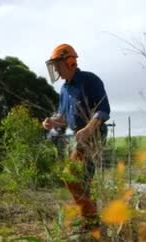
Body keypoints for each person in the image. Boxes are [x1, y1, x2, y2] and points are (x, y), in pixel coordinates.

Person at [43, 43, 110, 228]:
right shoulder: (64, 90)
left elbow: (104, 110)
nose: (56, 69)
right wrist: (51, 122)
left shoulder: (90, 80)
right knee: (78, 179)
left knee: (73, 177)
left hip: (94, 134)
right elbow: (63, 119)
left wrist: (88, 129)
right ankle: (91, 219)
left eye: (57, 65)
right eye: (54, 66)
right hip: (80, 138)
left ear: (70, 62)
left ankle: (91, 220)